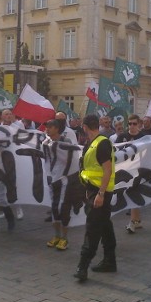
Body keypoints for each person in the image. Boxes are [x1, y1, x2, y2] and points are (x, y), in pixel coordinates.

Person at [73, 114, 117, 282]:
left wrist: (100, 194)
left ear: (84, 127)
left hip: (100, 192)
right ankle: (109, 261)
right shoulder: (92, 143)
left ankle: (82, 266)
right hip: (94, 190)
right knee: (105, 225)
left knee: (92, 228)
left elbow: (108, 170)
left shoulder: (102, 142)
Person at [117, 115, 151, 233]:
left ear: (139, 125)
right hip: (124, 171)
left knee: (132, 193)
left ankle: (133, 222)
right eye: (130, 123)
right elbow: (115, 151)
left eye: (134, 124)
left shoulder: (143, 138)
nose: (132, 126)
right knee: (127, 193)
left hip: (139, 171)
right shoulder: (122, 137)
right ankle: (137, 220)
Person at [43, 119, 80, 250]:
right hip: (53, 180)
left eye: (50, 127)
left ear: (57, 129)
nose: (47, 129)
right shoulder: (46, 142)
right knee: (54, 208)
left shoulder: (66, 142)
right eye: (47, 127)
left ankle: (65, 238)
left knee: (63, 208)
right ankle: (56, 236)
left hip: (66, 180)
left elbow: (73, 157)